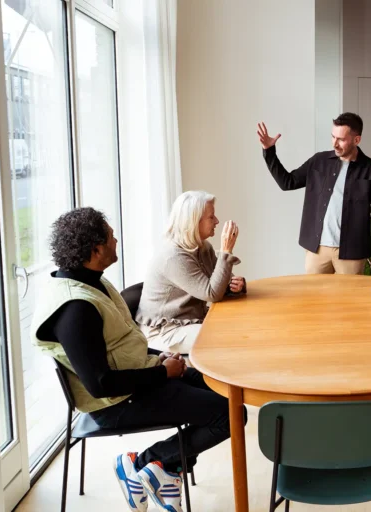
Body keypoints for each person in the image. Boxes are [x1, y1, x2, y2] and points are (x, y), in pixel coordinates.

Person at [31, 207, 242, 512]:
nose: (116, 240)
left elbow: (120, 345)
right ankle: (147, 464)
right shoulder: (76, 309)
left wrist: (160, 357)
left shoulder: (92, 282)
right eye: (110, 236)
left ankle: (166, 470)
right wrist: (163, 373)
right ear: (95, 250)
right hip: (116, 403)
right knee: (230, 414)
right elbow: (101, 385)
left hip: (139, 376)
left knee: (224, 392)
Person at [257, 112, 371, 274]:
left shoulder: (370, 168)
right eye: (333, 137)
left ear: (356, 140)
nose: (335, 143)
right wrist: (269, 151)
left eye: (341, 139)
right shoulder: (319, 161)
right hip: (317, 249)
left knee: (348, 292)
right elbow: (287, 182)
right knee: (313, 291)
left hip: (351, 252)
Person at [137, 191, 246, 355]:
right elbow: (212, 293)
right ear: (194, 221)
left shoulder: (203, 247)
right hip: (165, 331)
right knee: (227, 336)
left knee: (244, 323)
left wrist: (236, 285)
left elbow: (221, 282)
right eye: (211, 217)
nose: (217, 221)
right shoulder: (173, 257)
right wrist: (226, 250)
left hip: (191, 320)